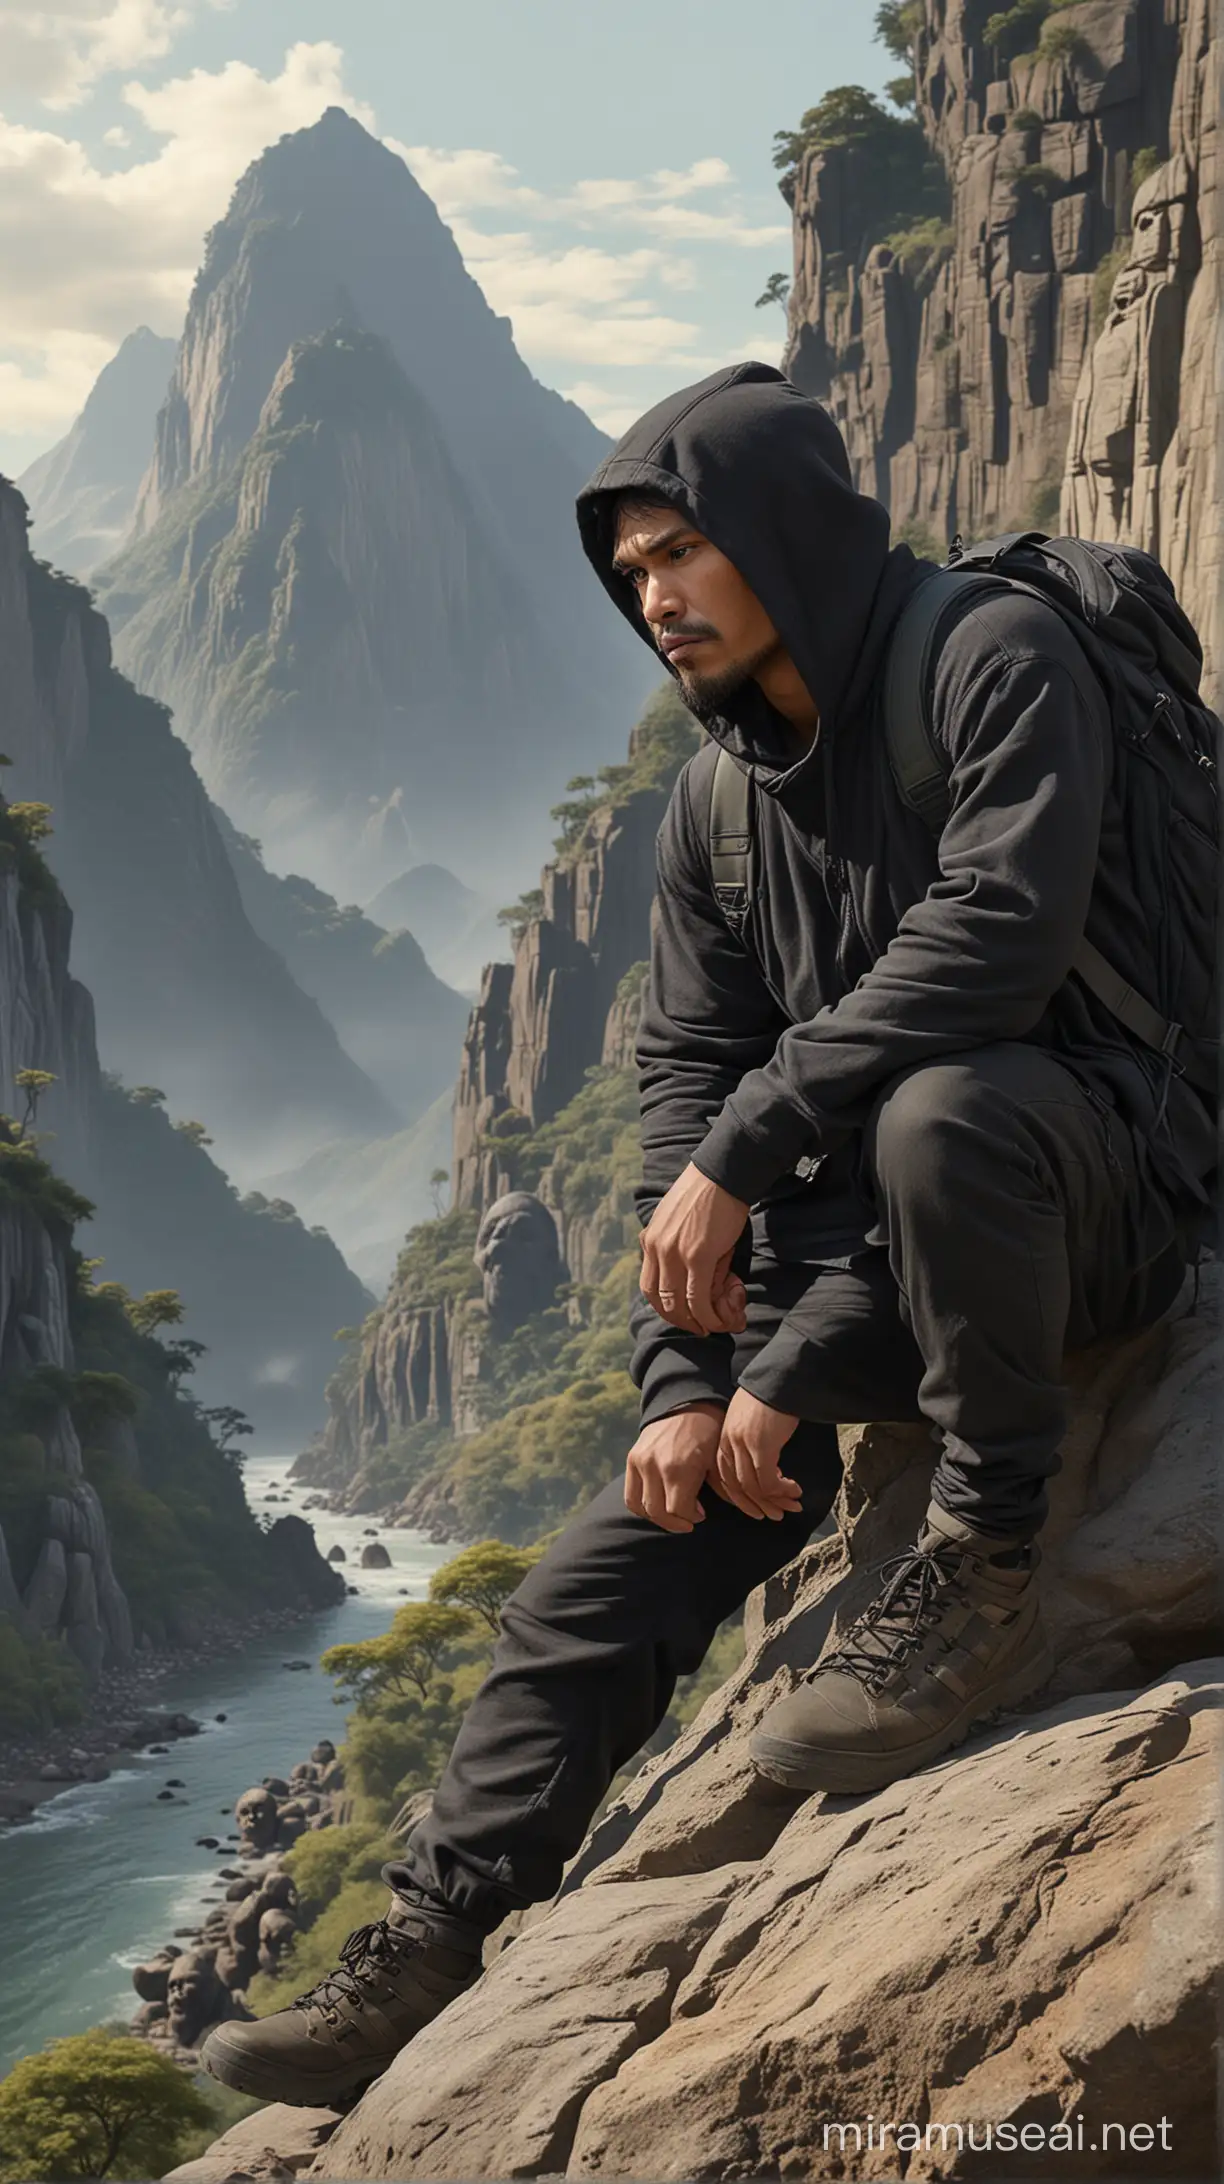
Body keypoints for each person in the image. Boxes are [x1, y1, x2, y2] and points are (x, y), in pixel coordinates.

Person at [202, 362, 1213, 2110]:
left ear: (783, 535)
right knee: (606, 1565)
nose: (653, 600)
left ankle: (983, 1555)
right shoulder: (720, 805)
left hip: (1087, 1182)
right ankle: (433, 1936)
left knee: (939, 1114)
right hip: (879, 1240)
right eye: (632, 574)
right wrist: (693, 1381)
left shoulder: (990, 657)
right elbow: (683, 1077)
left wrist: (771, 1241)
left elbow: (1004, 941)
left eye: (681, 552)